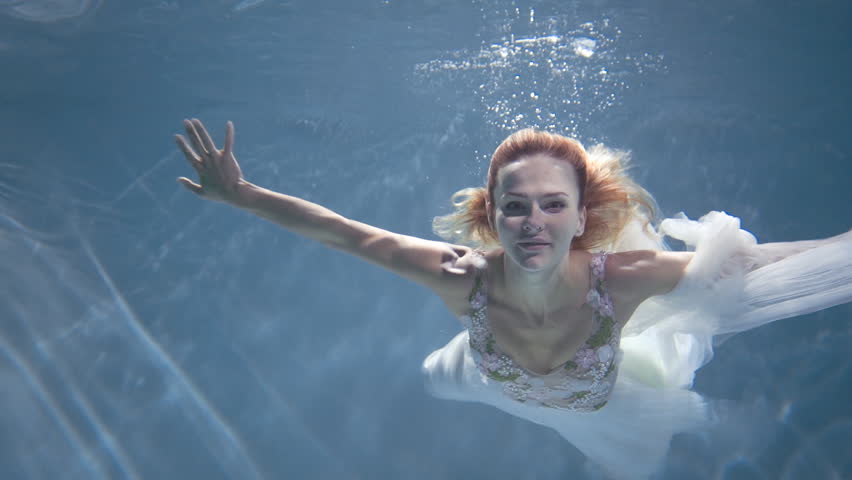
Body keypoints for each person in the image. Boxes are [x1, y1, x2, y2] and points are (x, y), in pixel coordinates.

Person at [175, 118, 852, 479]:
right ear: (491, 215)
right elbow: (347, 234)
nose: (534, 223)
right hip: (484, 378)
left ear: (581, 218)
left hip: (607, 406)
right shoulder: (460, 276)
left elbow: (757, 262)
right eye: (516, 206)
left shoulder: (622, 278)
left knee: (631, 462)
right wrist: (243, 194)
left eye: (554, 205)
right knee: (435, 376)